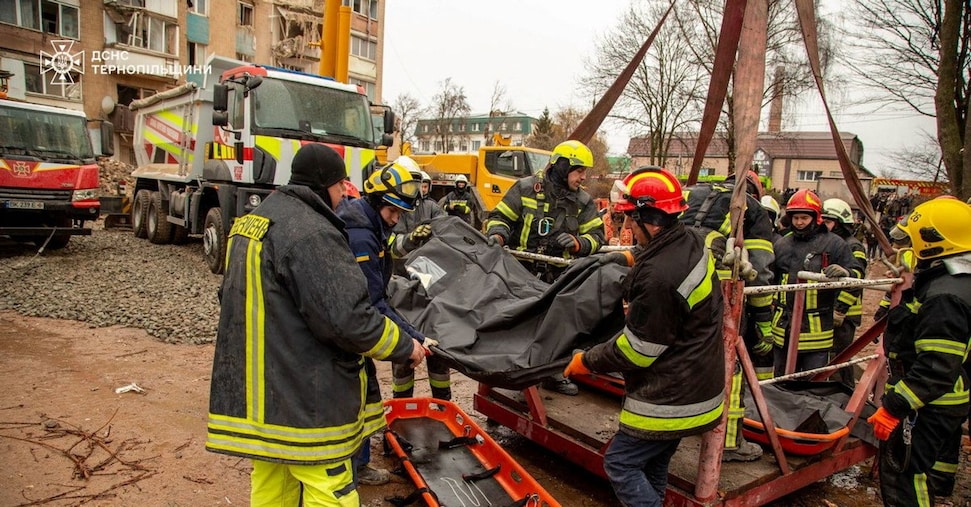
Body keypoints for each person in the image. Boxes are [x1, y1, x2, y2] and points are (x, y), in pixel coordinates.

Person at [206, 143, 425, 506]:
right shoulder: (313, 232)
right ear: (326, 185)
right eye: (341, 188)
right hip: (303, 399)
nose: (343, 198)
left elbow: (229, 298)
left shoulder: (249, 224)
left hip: (261, 396)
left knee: (272, 485)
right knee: (331, 489)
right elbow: (348, 319)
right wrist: (405, 346)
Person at [563, 166, 725, 506]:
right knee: (653, 463)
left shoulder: (658, 278)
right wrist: (630, 255)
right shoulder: (690, 240)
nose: (626, 228)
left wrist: (585, 361)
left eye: (630, 221)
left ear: (650, 220)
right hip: (699, 385)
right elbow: (663, 256)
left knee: (621, 463)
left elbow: (638, 351)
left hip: (671, 397)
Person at [336, 158, 452, 485]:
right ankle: (352, 468)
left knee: (362, 390)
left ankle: (357, 463)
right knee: (356, 394)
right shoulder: (360, 234)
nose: (396, 219)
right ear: (377, 201)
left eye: (401, 214)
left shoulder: (370, 222)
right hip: (346, 327)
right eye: (392, 212)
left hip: (350, 321)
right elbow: (371, 301)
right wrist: (411, 339)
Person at [867, 198, 971, 506]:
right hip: (941, 400)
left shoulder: (944, 297)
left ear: (932, 242)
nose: (906, 249)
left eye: (912, 241)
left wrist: (895, 406)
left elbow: (936, 368)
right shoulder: (954, 281)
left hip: (926, 404)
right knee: (917, 471)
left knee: (905, 478)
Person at [484, 139, 607, 395]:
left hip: (558, 277)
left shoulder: (583, 202)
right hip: (520, 272)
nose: (583, 177)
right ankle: (508, 375)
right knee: (515, 324)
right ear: (562, 166)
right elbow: (500, 217)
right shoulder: (525, 188)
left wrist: (578, 243)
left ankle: (552, 373)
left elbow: (598, 237)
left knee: (556, 328)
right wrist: (498, 235)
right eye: (579, 170)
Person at [679, 170, 776, 462]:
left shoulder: (692, 193)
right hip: (720, 302)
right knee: (728, 370)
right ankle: (730, 443)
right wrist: (763, 327)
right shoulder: (751, 207)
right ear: (755, 191)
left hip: (677, 291)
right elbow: (758, 277)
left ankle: (685, 424)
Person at [770, 189, 854, 376]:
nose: (799, 223)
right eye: (796, 218)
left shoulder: (835, 244)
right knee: (779, 384)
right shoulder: (783, 244)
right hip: (783, 330)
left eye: (804, 218)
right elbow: (772, 280)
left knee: (812, 385)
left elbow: (857, 275)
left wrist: (845, 272)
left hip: (816, 333)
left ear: (815, 218)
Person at [821, 198, 868, 388]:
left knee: (840, 356)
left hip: (845, 314)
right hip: (830, 309)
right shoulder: (831, 243)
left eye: (828, 222)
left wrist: (840, 310)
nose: (824, 226)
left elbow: (856, 281)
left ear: (840, 223)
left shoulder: (853, 246)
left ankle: (847, 391)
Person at [394, 167, 444, 236]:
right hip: (408, 244)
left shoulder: (432, 205)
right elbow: (398, 231)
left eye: (425, 187)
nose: (423, 190)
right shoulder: (405, 206)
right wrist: (410, 239)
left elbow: (442, 223)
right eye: (421, 186)